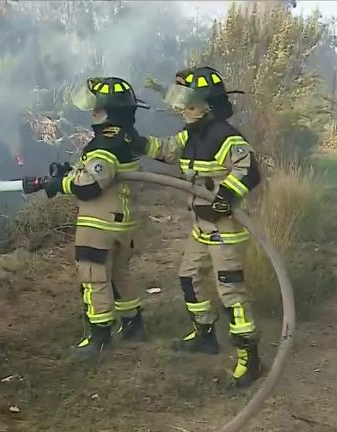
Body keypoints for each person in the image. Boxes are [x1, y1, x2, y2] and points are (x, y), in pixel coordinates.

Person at [141, 66, 263, 387]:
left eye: (191, 104)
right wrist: (134, 143)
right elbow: (167, 149)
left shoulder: (227, 137)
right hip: (201, 226)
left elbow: (249, 172)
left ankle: (250, 359)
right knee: (189, 277)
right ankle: (204, 335)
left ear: (209, 105)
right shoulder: (191, 135)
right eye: (184, 104)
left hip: (226, 230)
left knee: (231, 292)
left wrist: (226, 195)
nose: (185, 109)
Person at [32, 77, 148, 360]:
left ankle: (99, 337)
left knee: (94, 278)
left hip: (99, 224)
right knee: (120, 275)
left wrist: (59, 184)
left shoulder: (105, 144)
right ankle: (133, 324)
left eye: (97, 108)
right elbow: (99, 173)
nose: (92, 113)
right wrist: (69, 171)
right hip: (123, 221)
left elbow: (90, 185)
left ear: (111, 110)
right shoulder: (127, 137)